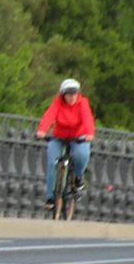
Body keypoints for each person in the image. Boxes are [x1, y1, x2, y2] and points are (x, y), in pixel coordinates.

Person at [37, 78, 96, 209]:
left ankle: (78, 179)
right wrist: (42, 130)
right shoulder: (57, 103)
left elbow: (87, 118)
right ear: (63, 95)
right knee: (52, 161)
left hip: (79, 137)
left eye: (74, 93)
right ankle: (50, 197)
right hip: (59, 136)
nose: (71, 97)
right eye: (68, 94)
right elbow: (49, 115)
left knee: (81, 155)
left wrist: (89, 133)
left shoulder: (82, 103)